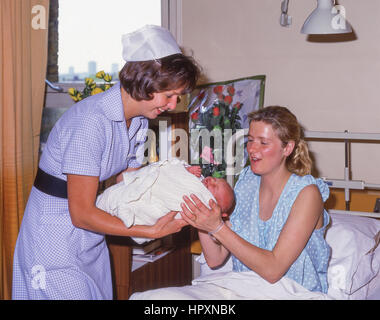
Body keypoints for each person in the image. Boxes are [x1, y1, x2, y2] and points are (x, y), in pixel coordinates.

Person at [12, 25, 200, 300]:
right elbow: (81, 213)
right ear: (146, 80)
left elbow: (130, 181)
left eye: (177, 97)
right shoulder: (91, 122)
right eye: (168, 95)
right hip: (54, 239)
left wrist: (178, 184)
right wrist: (149, 230)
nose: (173, 105)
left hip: (89, 237)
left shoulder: (137, 122)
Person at [179, 106, 331, 294]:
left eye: (263, 143)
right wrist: (202, 206)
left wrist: (218, 227)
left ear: (288, 148)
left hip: (292, 293)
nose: (252, 149)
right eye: (250, 140)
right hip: (246, 289)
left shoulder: (307, 194)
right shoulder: (246, 183)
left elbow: (274, 270)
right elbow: (215, 258)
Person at [96, 158, 235, 244]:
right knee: (107, 201)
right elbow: (173, 171)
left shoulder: (201, 205)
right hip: (141, 189)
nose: (211, 181)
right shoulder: (197, 179)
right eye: (216, 180)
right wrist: (186, 169)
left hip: (150, 208)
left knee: (109, 205)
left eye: (215, 187)